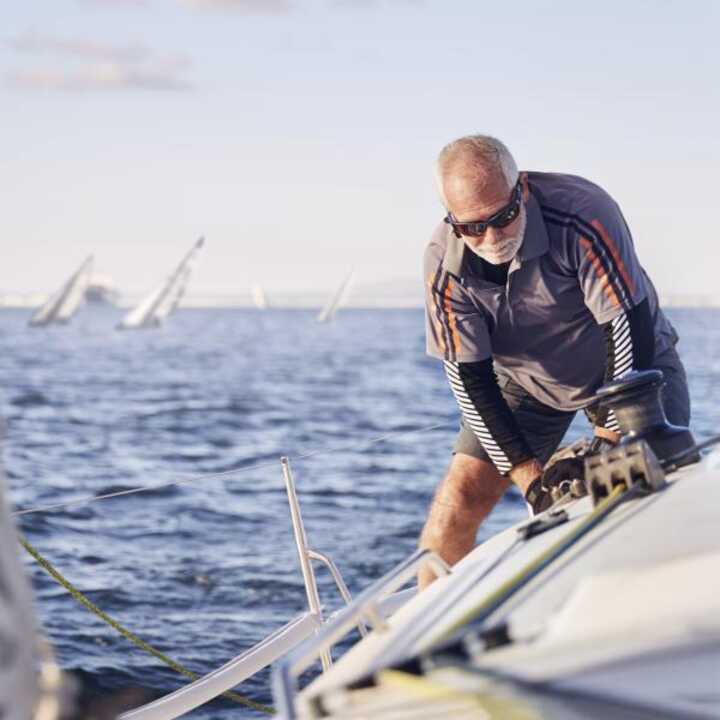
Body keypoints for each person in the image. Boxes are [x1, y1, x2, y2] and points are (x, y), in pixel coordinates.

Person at [418, 135, 690, 589]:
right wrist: (532, 481)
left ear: (521, 189)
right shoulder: (443, 266)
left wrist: (606, 442)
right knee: (460, 496)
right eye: (472, 227)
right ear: (451, 220)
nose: (491, 237)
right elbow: (471, 385)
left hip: (631, 369)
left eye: (503, 218)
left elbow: (627, 331)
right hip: (529, 382)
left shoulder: (583, 213)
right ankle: (418, 641)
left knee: (649, 489)